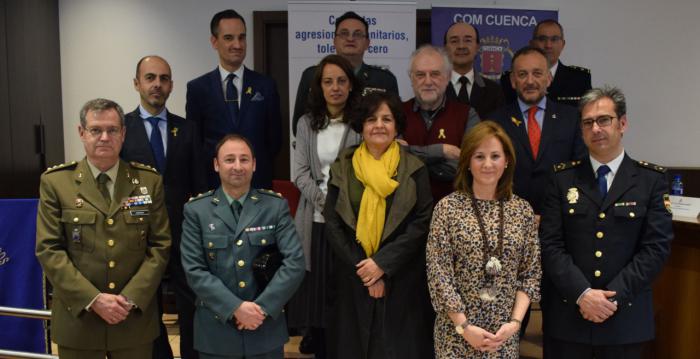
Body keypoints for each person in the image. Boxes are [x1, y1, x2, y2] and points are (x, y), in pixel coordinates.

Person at [539, 86, 672, 358]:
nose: (596, 129)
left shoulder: (650, 180)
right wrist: (583, 295)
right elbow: (550, 244)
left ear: (622, 124)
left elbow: (655, 248)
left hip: (625, 319)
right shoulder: (561, 179)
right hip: (568, 319)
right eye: (588, 123)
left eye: (604, 120)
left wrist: (611, 298)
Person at [36, 98, 171, 359]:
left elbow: (160, 246)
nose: (104, 137)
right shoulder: (56, 183)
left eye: (112, 130)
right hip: (79, 320)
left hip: (132, 319)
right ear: (81, 133)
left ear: (123, 134)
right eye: (96, 130)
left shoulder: (148, 181)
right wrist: (93, 299)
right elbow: (48, 249)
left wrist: (130, 298)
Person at [323, 91, 435, 359]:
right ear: (361, 124)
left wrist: (382, 265)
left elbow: (422, 222)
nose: (379, 125)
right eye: (371, 119)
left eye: (387, 119)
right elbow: (333, 221)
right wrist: (365, 269)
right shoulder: (343, 166)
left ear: (397, 125)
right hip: (353, 276)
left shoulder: (415, 168)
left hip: (402, 278)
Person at [180, 134, 305, 359]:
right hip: (216, 333)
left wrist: (262, 308)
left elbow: (294, 263)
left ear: (254, 165)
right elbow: (194, 270)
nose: (237, 166)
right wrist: (235, 308)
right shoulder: (196, 211)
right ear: (216, 165)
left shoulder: (274, 207)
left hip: (265, 329)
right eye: (229, 159)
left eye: (244, 159)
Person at [490, 45, 586, 339]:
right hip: (508, 232)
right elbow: (489, 176)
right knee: (506, 317)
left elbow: (580, 175)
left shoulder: (572, 119)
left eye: (537, 73)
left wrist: (551, 216)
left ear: (549, 79)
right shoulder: (495, 121)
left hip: (560, 232)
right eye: (522, 74)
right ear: (513, 81)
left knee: (559, 318)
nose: (530, 80)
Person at [426, 120, 541, 358]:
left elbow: (530, 274)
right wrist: (464, 327)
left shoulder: (522, 211)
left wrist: (515, 323)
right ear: (467, 161)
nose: (488, 164)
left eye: (495, 156)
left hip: (503, 336)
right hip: (456, 335)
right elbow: (439, 275)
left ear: (507, 160)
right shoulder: (447, 209)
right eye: (479, 157)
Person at [120, 55, 207, 359]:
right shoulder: (121, 129)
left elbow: (200, 186)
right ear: (137, 83)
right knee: (147, 303)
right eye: (150, 78)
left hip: (184, 232)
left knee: (191, 301)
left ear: (171, 85)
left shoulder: (188, 130)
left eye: (164, 78)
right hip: (138, 233)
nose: (157, 84)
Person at [287, 54, 362, 357]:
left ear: (350, 85)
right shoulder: (306, 123)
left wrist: (341, 207)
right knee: (317, 294)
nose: (335, 87)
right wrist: (326, 204)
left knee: (345, 292)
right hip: (314, 219)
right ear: (319, 86)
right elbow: (299, 174)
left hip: (352, 219)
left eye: (341, 81)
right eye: (328, 81)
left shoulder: (361, 123)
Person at [187, 9, 282, 189]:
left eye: (242, 37)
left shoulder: (266, 86)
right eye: (229, 38)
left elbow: (274, 141)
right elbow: (196, 144)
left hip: (257, 185)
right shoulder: (198, 88)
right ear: (214, 42)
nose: (237, 44)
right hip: (214, 187)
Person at [292, 11, 399, 135]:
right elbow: (298, 128)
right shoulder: (311, 76)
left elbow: (396, 125)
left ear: (367, 43)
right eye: (344, 33)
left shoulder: (384, 80)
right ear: (334, 41)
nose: (350, 38)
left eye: (357, 34)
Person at [400, 44, 480, 203]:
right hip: (406, 215)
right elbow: (392, 160)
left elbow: (469, 166)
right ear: (411, 78)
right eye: (420, 75)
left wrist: (410, 156)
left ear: (448, 77)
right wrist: (441, 151)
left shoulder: (467, 115)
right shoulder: (396, 113)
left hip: (454, 214)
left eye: (435, 74)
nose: (428, 81)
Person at [501, 19, 592, 107]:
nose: (548, 45)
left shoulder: (580, 79)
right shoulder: (508, 80)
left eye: (554, 39)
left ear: (563, 44)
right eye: (542, 39)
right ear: (532, 43)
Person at [443, 22, 504, 118]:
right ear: (445, 49)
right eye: (454, 41)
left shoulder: (495, 92)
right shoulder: (436, 89)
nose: (461, 46)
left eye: (468, 40)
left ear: (477, 47)